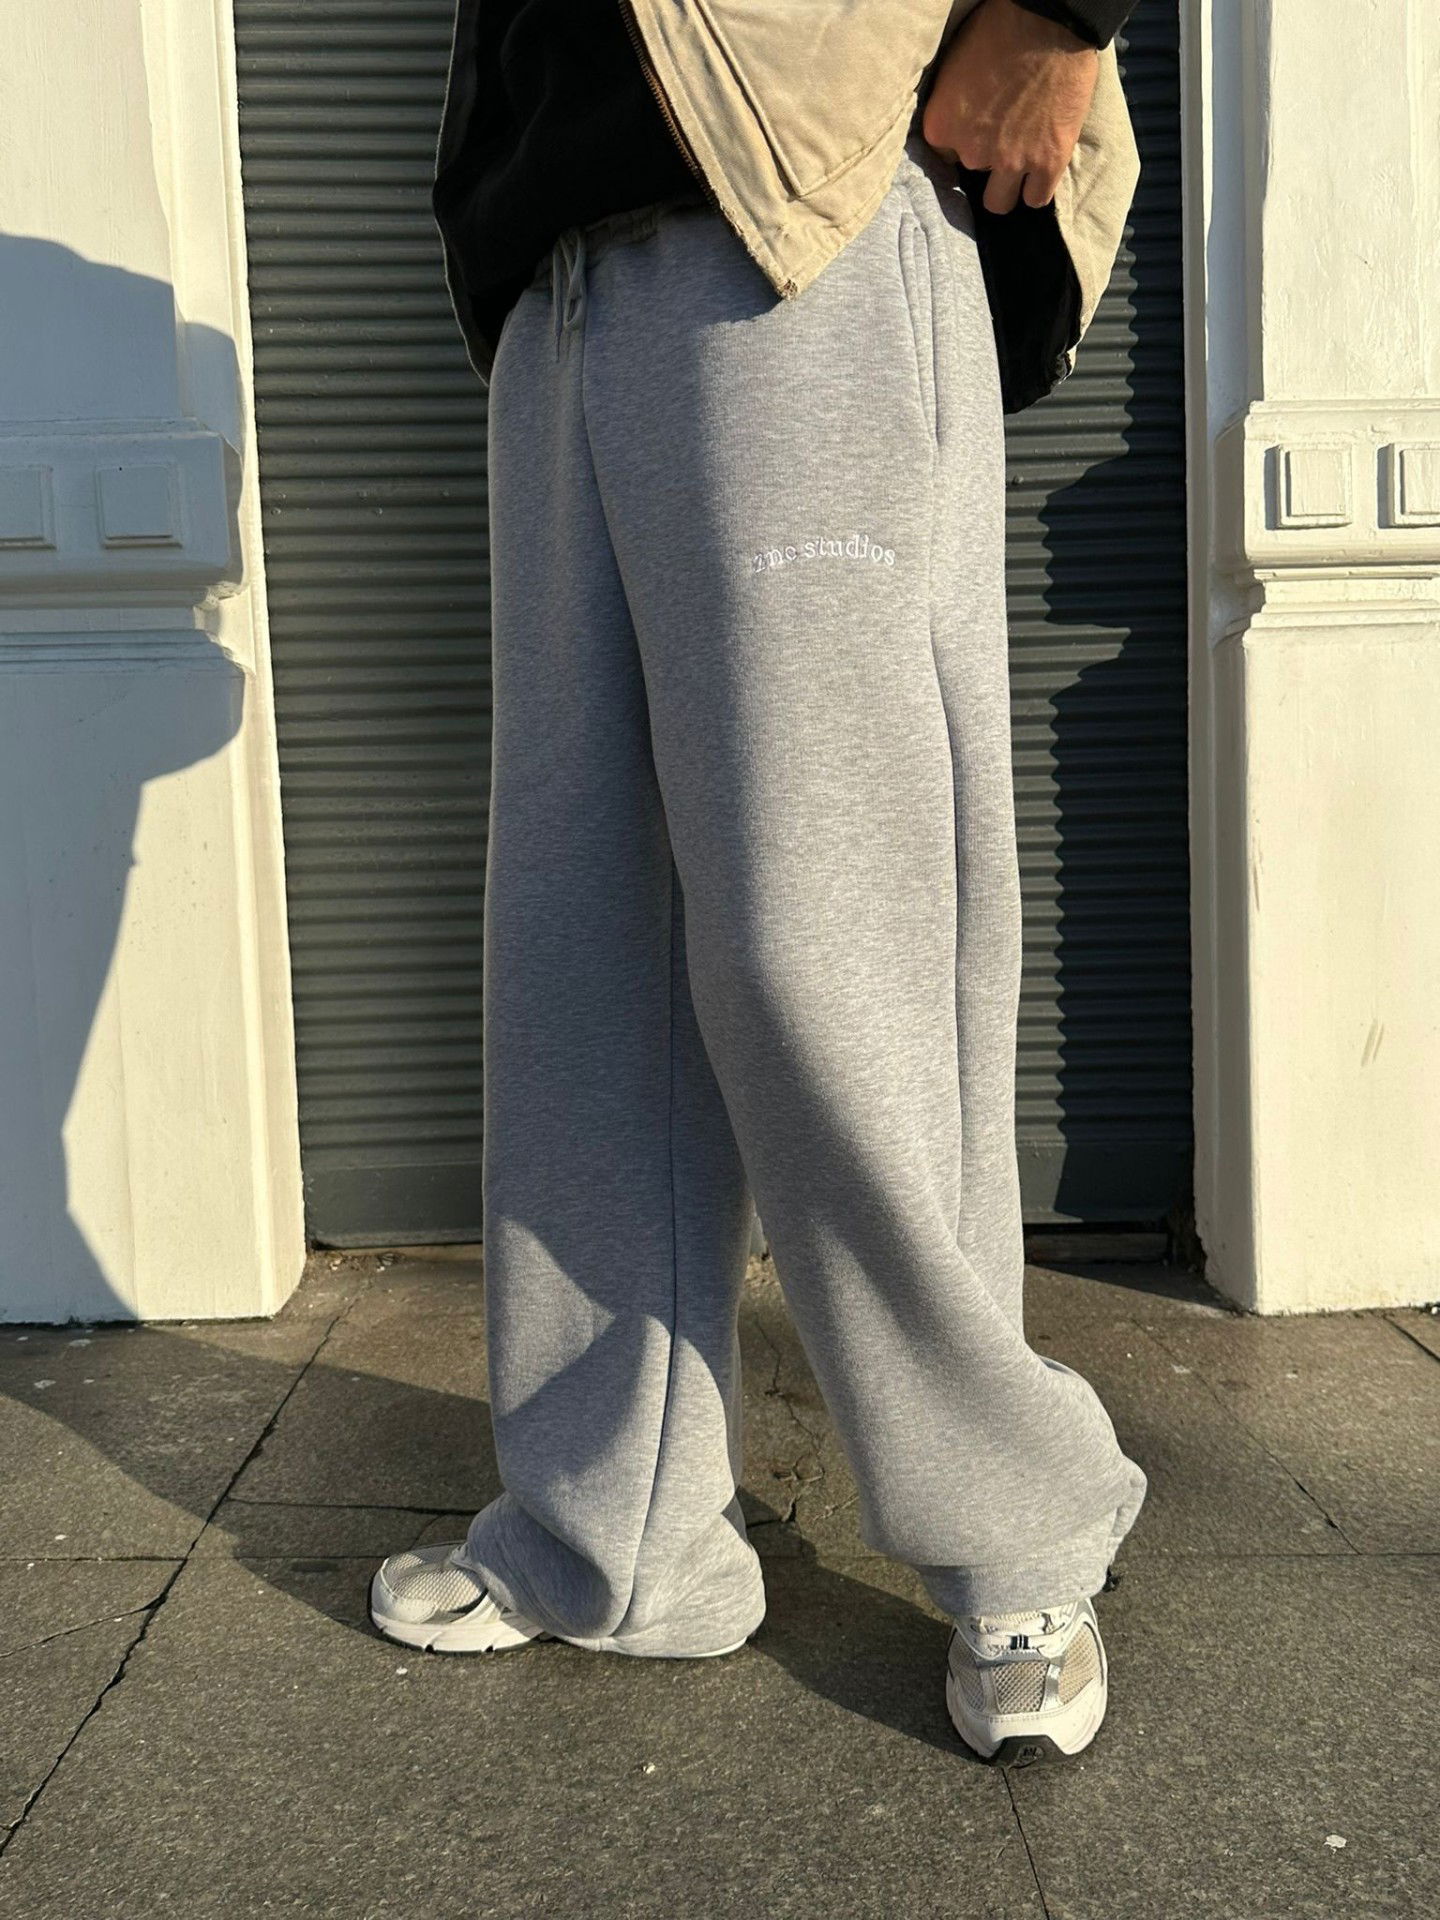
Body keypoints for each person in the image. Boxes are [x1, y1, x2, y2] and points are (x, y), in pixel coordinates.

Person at [370, 0, 1148, 1767]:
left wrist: (1059, 15)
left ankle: (1017, 1532)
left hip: (797, 194)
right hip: (560, 261)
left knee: (835, 935)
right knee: (583, 946)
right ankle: (619, 1528)